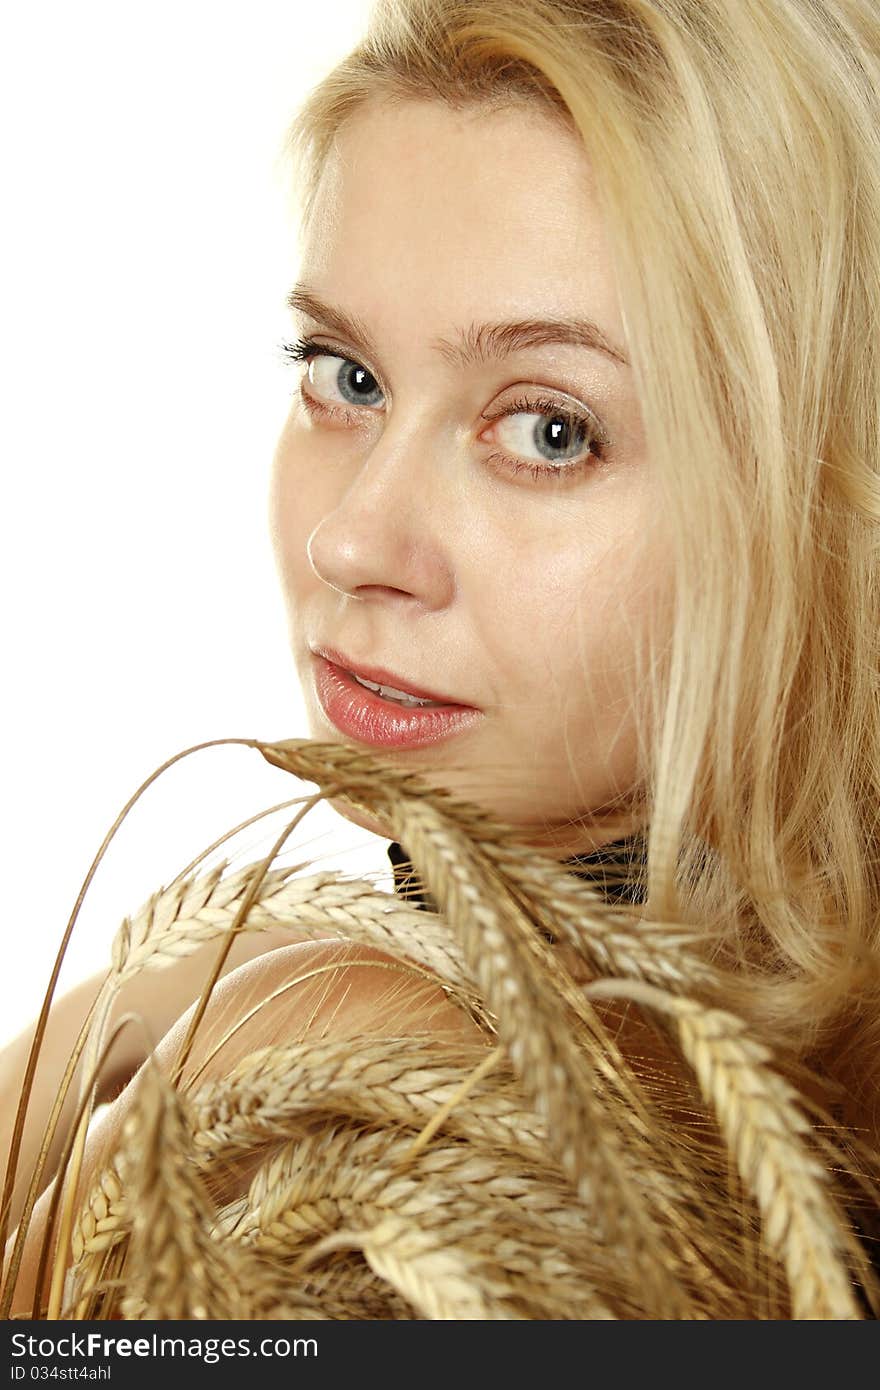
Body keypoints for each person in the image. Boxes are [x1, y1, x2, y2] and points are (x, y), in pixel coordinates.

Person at [3, 0, 880, 1319]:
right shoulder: (259, 975)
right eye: (346, 376)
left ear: (823, 508)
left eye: (547, 431)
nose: (357, 539)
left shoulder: (333, 1070)